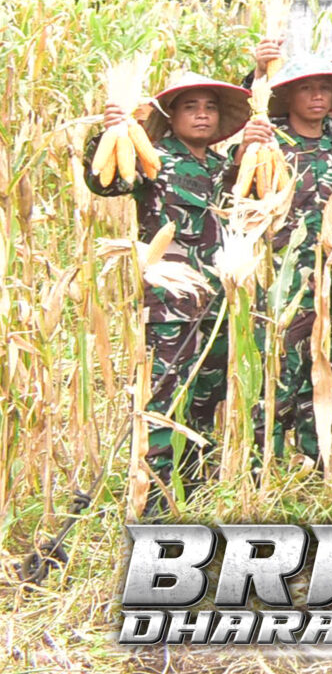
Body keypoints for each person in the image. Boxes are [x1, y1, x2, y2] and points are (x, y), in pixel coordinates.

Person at [88, 71, 250, 510]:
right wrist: (110, 131)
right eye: (190, 107)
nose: (202, 115)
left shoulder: (223, 168)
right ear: (172, 116)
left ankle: (194, 486)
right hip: (170, 307)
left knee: (206, 396)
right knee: (165, 396)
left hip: (218, 304)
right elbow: (105, 182)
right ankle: (156, 494)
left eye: (210, 107)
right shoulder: (153, 161)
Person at [259, 55, 332, 467]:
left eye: (324, 89)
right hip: (278, 280)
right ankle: (262, 467)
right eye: (307, 88)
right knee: (273, 374)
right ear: (289, 94)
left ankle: (321, 458)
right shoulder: (267, 144)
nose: (317, 96)